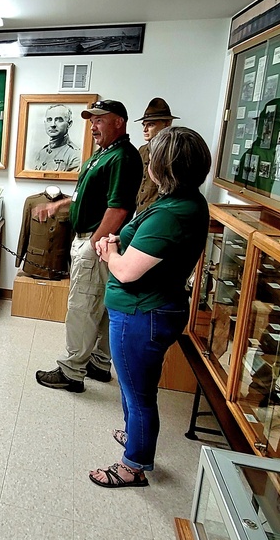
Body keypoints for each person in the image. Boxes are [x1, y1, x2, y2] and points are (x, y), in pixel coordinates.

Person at [89, 127, 211, 487]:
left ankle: (133, 465)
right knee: (134, 385)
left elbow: (126, 271)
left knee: (139, 393)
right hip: (150, 308)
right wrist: (119, 244)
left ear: (166, 166)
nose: (148, 165)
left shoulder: (174, 213)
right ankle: (135, 436)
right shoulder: (182, 201)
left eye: (153, 159)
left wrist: (110, 252)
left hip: (143, 313)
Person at [34, 99, 142, 393]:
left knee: (82, 307)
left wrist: (91, 245)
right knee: (103, 307)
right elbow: (86, 195)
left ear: (119, 121)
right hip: (97, 241)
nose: (93, 126)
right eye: (91, 121)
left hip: (96, 241)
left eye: (100, 120)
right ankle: (98, 363)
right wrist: (61, 205)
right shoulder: (103, 155)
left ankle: (71, 372)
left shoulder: (123, 157)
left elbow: (118, 209)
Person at [133, 98, 177, 214]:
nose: (145, 129)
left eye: (151, 124)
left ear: (167, 124)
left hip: (162, 213)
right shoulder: (142, 151)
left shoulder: (175, 152)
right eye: (144, 125)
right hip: (140, 214)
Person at [32, 105, 81, 172]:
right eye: (49, 120)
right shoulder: (41, 153)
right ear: (45, 123)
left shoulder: (75, 155)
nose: (53, 124)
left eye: (59, 120)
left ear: (69, 124)